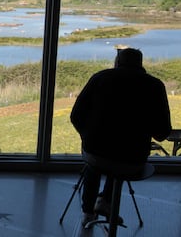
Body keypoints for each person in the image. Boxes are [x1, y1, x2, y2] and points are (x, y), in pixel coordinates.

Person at [70, 48, 172, 227]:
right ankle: (106, 201)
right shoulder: (155, 86)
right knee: (120, 158)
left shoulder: (99, 78)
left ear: (117, 62)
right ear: (141, 64)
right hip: (133, 160)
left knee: (95, 162)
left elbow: (75, 115)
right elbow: (162, 132)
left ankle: (87, 212)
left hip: (96, 152)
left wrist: (87, 136)